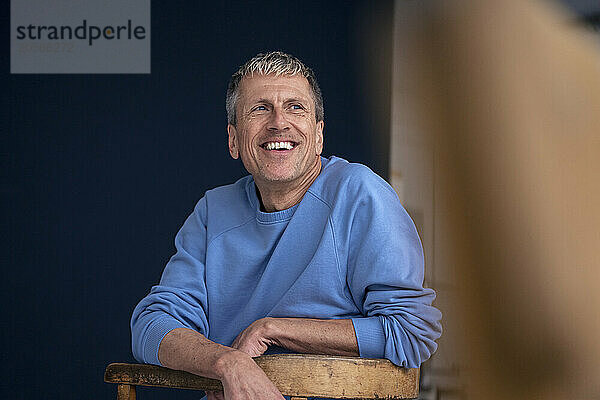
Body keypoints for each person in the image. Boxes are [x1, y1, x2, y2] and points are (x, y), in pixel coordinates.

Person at [131, 51, 442, 400]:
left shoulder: (360, 194)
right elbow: (152, 325)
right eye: (260, 108)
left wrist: (272, 329)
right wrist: (228, 363)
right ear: (233, 139)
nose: (279, 122)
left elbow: (411, 332)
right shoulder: (212, 212)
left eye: (296, 107)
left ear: (319, 134)